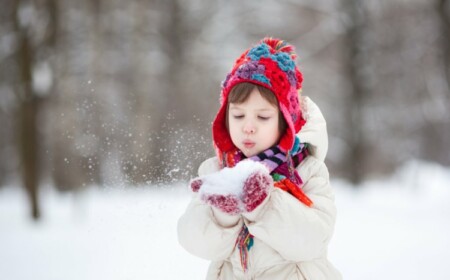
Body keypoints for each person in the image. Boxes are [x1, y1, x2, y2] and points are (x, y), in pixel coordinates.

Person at [177, 37, 341, 280]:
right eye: (238, 115)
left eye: (262, 117)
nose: (248, 127)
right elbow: (195, 241)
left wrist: (263, 204)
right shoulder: (217, 171)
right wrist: (225, 214)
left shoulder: (308, 171)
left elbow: (312, 241)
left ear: (285, 121)